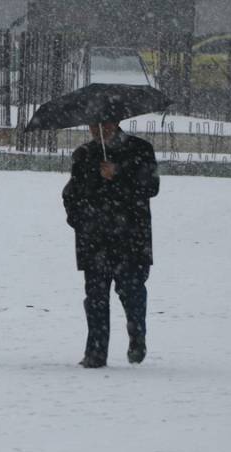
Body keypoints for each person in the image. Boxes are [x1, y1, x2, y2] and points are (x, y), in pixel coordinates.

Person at [62, 121, 159, 368]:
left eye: (102, 125)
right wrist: (78, 219)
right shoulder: (83, 154)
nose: (96, 131)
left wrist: (119, 174)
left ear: (115, 123)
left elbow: (150, 186)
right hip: (94, 239)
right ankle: (95, 353)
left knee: (131, 292)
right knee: (95, 297)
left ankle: (137, 337)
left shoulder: (140, 150)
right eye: (92, 126)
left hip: (130, 237)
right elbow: (72, 192)